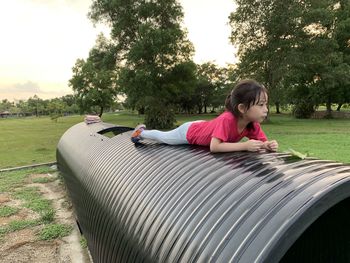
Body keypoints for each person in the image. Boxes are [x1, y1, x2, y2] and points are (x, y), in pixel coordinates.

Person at [131, 79, 278, 153]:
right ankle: (141, 132)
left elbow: (262, 142)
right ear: (242, 108)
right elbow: (215, 147)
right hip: (189, 132)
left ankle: (142, 132)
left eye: (266, 104)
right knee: (165, 138)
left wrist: (267, 145)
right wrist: (244, 145)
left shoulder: (252, 123)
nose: (266, 109)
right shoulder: (227, 119)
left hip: (206, 126)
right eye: (260, 105)